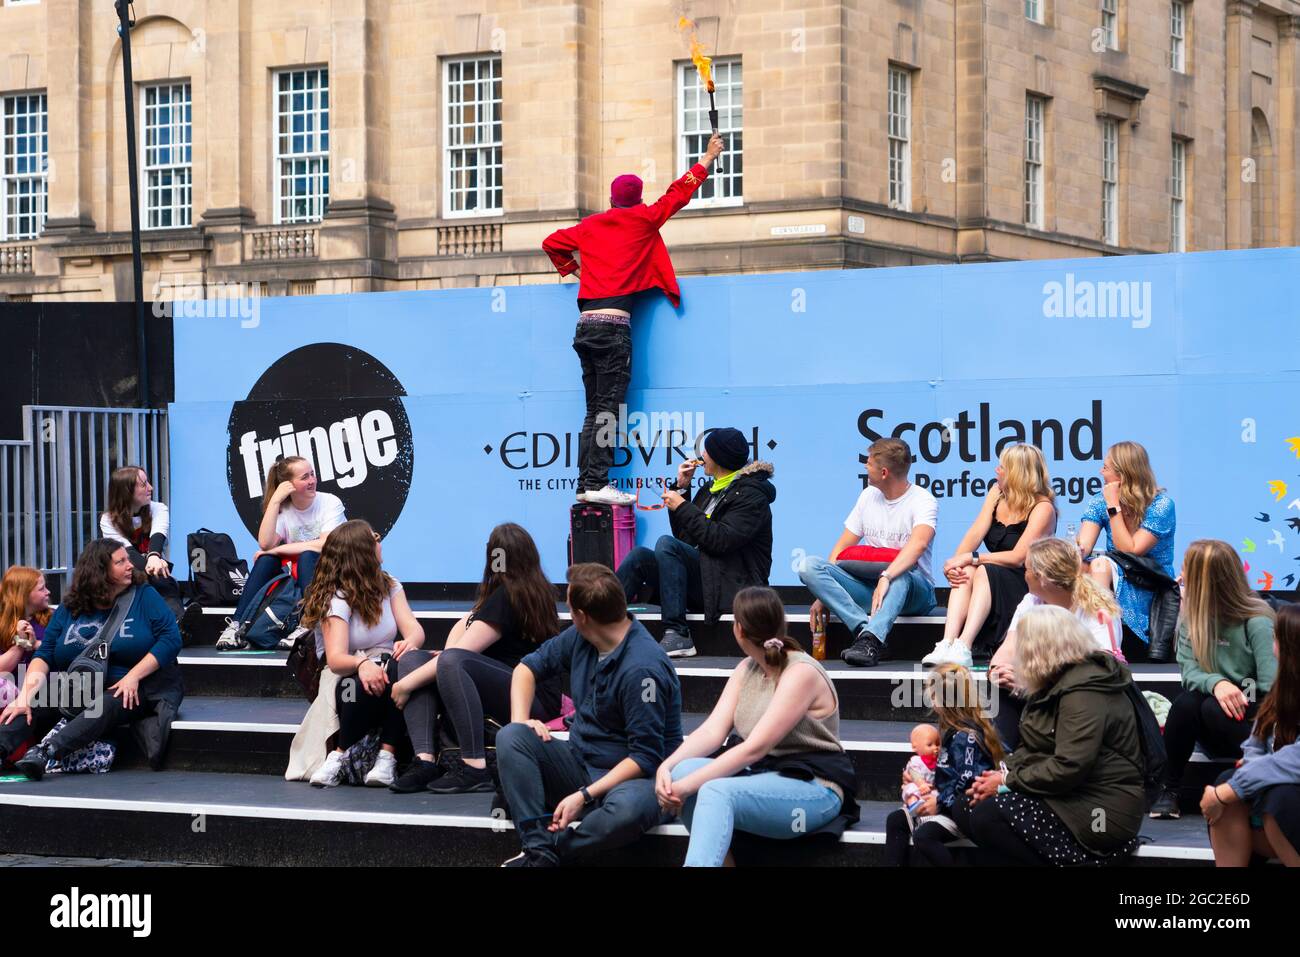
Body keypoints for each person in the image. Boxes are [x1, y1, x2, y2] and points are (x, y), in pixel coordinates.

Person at [542, 132, 725, 506]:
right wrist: (706, 159)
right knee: (607, 411)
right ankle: (596, 482)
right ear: (638, 199)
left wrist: (575, 271)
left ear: (611, 200)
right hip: (613, 328)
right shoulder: (643, 219)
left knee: (594, 410)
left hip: (585, 326)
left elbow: (551, 242)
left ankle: (586, 483)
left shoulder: (591, 226)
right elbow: (678, 195)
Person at [495, 563, 682, 867]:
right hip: (581, 762)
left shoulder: (642, 669)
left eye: (569, 606)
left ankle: (552, 850)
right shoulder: (582, 637)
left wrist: (583, 795)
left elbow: (645, 757)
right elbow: (526, 668)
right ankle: (537, 849)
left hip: (636, 778)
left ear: (582, 616)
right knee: (511, 737)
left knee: (627, 813)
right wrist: (522, 720)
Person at [655, 586, 858, 866]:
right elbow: (711, 731)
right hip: (761, 775)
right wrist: (666, 768)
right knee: (683, 771)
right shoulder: (746, 669)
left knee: (710, 788)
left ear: (738, 629)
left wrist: (687, 787)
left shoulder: (800, 672)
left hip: (814, 788)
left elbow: (754, 748)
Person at [389, 523, 564, 794]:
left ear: (495, 557)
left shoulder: (508, 596)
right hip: (515, 687)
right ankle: (424, 761)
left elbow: (458, 654)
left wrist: (403, 686)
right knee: (414, 659)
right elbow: (459, 642)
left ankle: (474, 767)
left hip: (531, 697)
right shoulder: (518, 592)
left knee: (446, 663)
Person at [967, 605, 1145, 866]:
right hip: (1066, 793)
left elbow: (1070, 765)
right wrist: (998, 776)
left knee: (988, 816)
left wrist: (1007, 780)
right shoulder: (1053, 682)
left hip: (1102, 808)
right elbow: (1034, 748)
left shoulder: (1085, 691)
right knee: (967, 805)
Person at [0, 539, 184, 779]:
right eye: (121, 562)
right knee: (30, 701)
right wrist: (24, 696)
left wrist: (133, 676)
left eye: (127, 560)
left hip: (132, 685)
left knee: (107, 702)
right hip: (80, 684)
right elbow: (44, 655)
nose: (130, 565)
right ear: (101, 571)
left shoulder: (144, 596)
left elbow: (171, 640)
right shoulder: (72, 604)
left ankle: (46, 752)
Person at [616, 427, 775, 659]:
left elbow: (720, 540)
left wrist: (682, 505)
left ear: (719, 458)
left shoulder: (752, 496)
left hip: (734, 587)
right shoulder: (708, 490)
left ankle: (678, 633)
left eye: (706, 451)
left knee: (666, 544)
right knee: (640, 556)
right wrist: (682, 488)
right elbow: (686, 541)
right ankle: (602, 620)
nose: (701, 456)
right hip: (705, 579)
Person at [292, 520, 425, 788]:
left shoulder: (390, 585)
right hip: (344, 673)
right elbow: (336, 659)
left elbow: (415, 631)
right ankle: (338, 756)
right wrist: (362, 662)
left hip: (386, 668)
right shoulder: (336, 598)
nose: (380, 541)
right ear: (362, 551)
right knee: (357, 686)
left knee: (403, 670)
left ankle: (387, 758)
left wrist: (408, 642)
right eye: (375, 537)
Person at [1150, 539, 1276, 819]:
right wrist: (1218, 684)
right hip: (1211, 717)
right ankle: (1170, 788)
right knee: (1187, 704)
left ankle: (1256, 785)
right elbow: (1189, 673)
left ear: (1205, 581)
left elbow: (1271, 688)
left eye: (1186, 572)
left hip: (1252, 724)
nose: (1180, 578)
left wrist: (1240, 692)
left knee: (1208, 706)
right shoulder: (1192, 617)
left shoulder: (1257, 620)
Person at [800, 436, 938, 668]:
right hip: (871, 591)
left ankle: (871, 640)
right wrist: (823, 595)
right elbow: (842, 547)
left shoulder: (923, 500)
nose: (865, 467)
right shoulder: (867, 496)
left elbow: (918, 545)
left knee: (900, 575)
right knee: (809, 566)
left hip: (915, 591)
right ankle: (867, 635)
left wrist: (887, 576)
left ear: (884, 472)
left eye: (869, 463)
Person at [923, 443, 1056, 669]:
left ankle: (965, 645)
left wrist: (973, 558)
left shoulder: (1043, 508)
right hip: (991, 578)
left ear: (1017, 473)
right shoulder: (996, 494)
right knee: (967, 569)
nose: (997, 470)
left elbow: (1017, 557)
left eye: (1002, 467)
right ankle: (947, 643)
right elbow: (975, 532)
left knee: (981, 567)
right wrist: (955, 563)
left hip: (1025, 582)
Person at [988, 537, 1124, 750]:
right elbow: (1008, 648)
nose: (1024, 575)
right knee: (1001, 688)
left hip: (1085, 692)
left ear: (1041, 577)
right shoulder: (1031, 601)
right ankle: (1003, 763)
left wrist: (1032, 683)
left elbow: (1099, 671)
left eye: (1027, 570)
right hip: (1043, 686)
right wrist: (998, 671)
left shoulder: (1097, 608)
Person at [1203, 602, 1300, 867]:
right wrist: (1249, 770)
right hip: (1277, 803)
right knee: (1230, 777)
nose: (1273, 647)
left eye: (1275, 638)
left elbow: (1295, 760)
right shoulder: (1282, 690)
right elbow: (1256, 742)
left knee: (1281, 799)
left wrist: (1227, 792)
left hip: (1288, 803)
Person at [217, 455, 345, 650]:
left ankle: (308, 624)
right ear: (288, 485)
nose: (312, 481)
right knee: (267, 559)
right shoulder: (285, 511)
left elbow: (325, 545)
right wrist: (275, 501)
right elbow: (265, 543)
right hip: (300, 578)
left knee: (307, 556)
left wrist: (278, 549)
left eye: (312, 474)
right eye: (304, 477)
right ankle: (236, 625)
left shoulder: (330, 502)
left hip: (335, 571)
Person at [883, 663, 1004, 866]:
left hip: (961, 812)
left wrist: (938, 803)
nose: (930, 699)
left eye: (933, 694)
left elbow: (967, 782)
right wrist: (921, 778)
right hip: (944, 803)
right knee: (895, 820)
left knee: (924, 837)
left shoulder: (968, 737)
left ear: (943, 700)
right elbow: (946, 771)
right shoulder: (950, 730)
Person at [1076, 440, 1176, 660]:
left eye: (1106, 468)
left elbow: (1130, 550)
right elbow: (1083, 546)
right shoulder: (1098, 502)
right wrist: (1077, 549)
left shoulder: (1161, 505)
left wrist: (1113, 506)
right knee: (1081, 567)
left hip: (1151, 578)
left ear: (1123, 474)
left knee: (1100, 565)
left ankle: (1106, 645)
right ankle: (1081, 640)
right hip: (1117, 572)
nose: (1101, 472)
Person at [98, 465, 184, 619]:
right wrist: (153, 564)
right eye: (143, 484)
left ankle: (179, 622)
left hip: (156, 570)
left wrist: (154, 558)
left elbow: (158, 534)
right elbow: (128, 553)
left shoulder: (158, 508)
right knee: (152, 582)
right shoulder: (108, 519)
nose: (150, 488)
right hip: (126, 573)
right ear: (127, 491)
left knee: (163, 581)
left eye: (148, 482)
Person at [0, 567, 51, 708]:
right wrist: (21, 643)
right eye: (42, 589)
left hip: (46, 692)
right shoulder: (2, 624)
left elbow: (60, 652)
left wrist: (35, 645)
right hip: (9, 696)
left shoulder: (52, 619)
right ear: (23, 594)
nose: (48, 592)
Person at [901, 724, 940, 812]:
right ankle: (913, 804)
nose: (935, 748)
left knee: (936, 795)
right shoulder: (916, 761)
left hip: (931, 788)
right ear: (915, 747)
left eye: (937, 744)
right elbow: (915, 774)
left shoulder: (940, 760)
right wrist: (921, 784)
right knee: (911, 789)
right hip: (918, 786)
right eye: (930, 745)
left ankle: (927, 808)